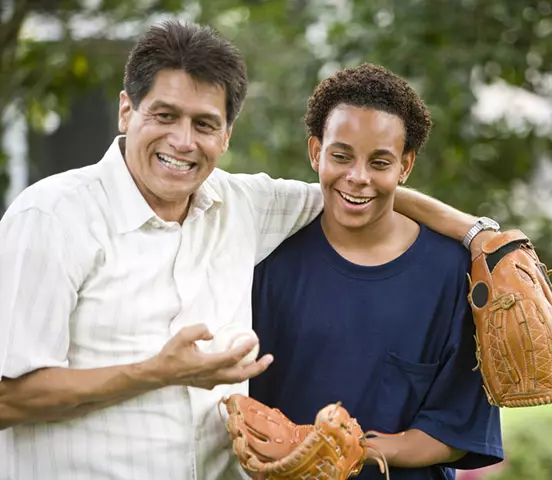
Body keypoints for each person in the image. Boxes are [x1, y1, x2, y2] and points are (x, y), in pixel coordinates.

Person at [0, 21, 499, 480]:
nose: (182, 141)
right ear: (127, 110)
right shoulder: (52, 218)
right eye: (165, 115)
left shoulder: (243, 205)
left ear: (227, 133)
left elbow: (358, 188)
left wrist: (481, 236)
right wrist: (157, 373)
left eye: (204, 123)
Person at [250, 64, 503, 479]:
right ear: (316, 152)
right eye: (341, 156)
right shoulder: (269, 260)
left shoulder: (454, 275)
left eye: (380, 162)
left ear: (405, 166)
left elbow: (458, 429)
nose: (358, 178)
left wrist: (350, 449)